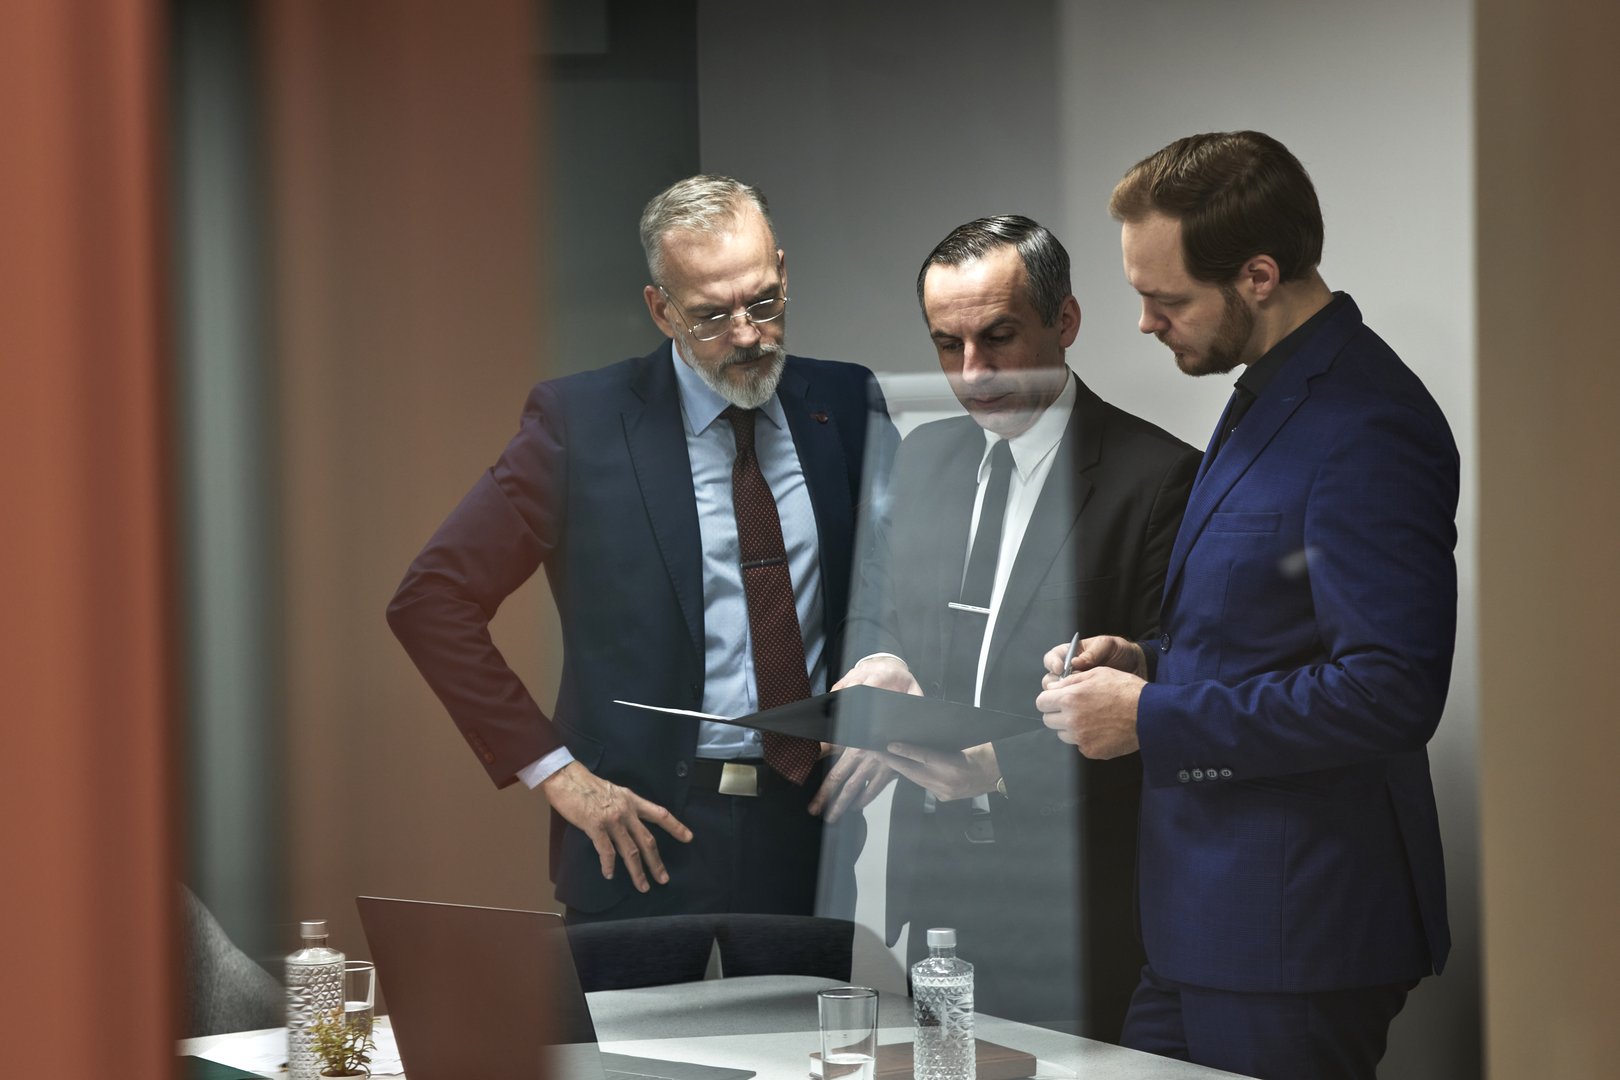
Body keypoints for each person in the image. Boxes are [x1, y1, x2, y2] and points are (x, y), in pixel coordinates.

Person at [1037, 131, 1458, 1079]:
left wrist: (1153, 716)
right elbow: (1270, 624)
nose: (1145, 323)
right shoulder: (1269, 388)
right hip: (1208, 925)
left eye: (1165, 299)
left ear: (1260, 275)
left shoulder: (1368, 421)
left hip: (1295, 933)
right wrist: (1147, 660)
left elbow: (1390, 689)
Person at [387, 175, 894, 923]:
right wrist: (558, 774)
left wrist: (886, 691)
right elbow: (432, 600)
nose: (748, 335)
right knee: (628, 1046)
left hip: (806, 832)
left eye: (762, 302)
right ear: (662, 311)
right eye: (711, 317)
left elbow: (896, 583)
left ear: (783, 271)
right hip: (638, 837)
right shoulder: (580, 424)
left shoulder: (845, 404)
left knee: (810, 1041)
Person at [811, 216, 1198, 1036]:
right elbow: (877, 596)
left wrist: (1006, 770)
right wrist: (878, 654)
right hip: (936, 888)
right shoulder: (923, 459)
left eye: (997, 338)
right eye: (947, 346)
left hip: (1080, 897)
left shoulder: (1159, 477)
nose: (973, 373)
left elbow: (1180, 698)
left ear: (1066, 322)